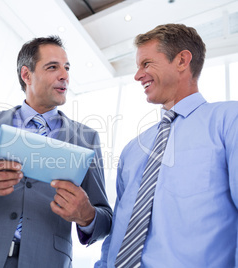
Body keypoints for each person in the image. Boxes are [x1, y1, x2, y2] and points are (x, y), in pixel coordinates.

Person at [0, 35, 113, 268]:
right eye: (53, 67)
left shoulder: (87, 139)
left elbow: (105, 220)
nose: (64, 75)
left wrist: (87, 215)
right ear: (26, 74)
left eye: (67, 68)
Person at [95, 23, 238, 267]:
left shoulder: (229, 120)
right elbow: (118, 229)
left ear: (182, 60)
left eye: (146, 64)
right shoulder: (132, 150)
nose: (137, 75)